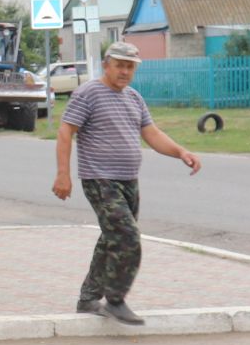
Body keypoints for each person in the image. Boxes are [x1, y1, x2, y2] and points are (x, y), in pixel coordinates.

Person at [52, 42, 201, 324]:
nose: (124, 71)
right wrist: (63, 174)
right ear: (107, 65)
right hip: (100, 179)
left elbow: (152, 134)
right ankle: (115, 299)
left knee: (112, 238)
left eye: (130, 66)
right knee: (128, 238)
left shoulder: (133, 98)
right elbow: (65, 131)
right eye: (119, 65)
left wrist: (181, 152)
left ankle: (88, 299)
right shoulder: (88, 94)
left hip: (128, 182)